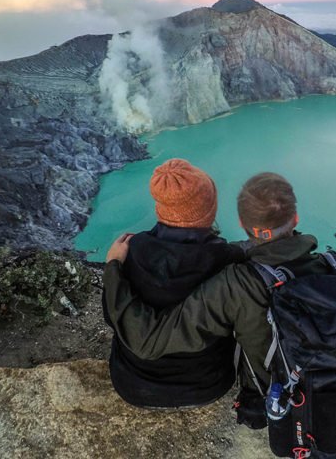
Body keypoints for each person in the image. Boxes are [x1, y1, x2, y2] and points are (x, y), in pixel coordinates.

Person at [103, 172, 336, 457]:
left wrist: (113, 266)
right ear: (296, 219)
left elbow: (150, 339)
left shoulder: (236, 281)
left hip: (284, 394)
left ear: (242, 224)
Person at [102, 158, 245, 409]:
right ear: (207, 208)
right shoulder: (227, 259)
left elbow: (112, 313)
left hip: (132, 385)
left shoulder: (132, 251)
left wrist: (113, 264)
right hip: (206, 386)